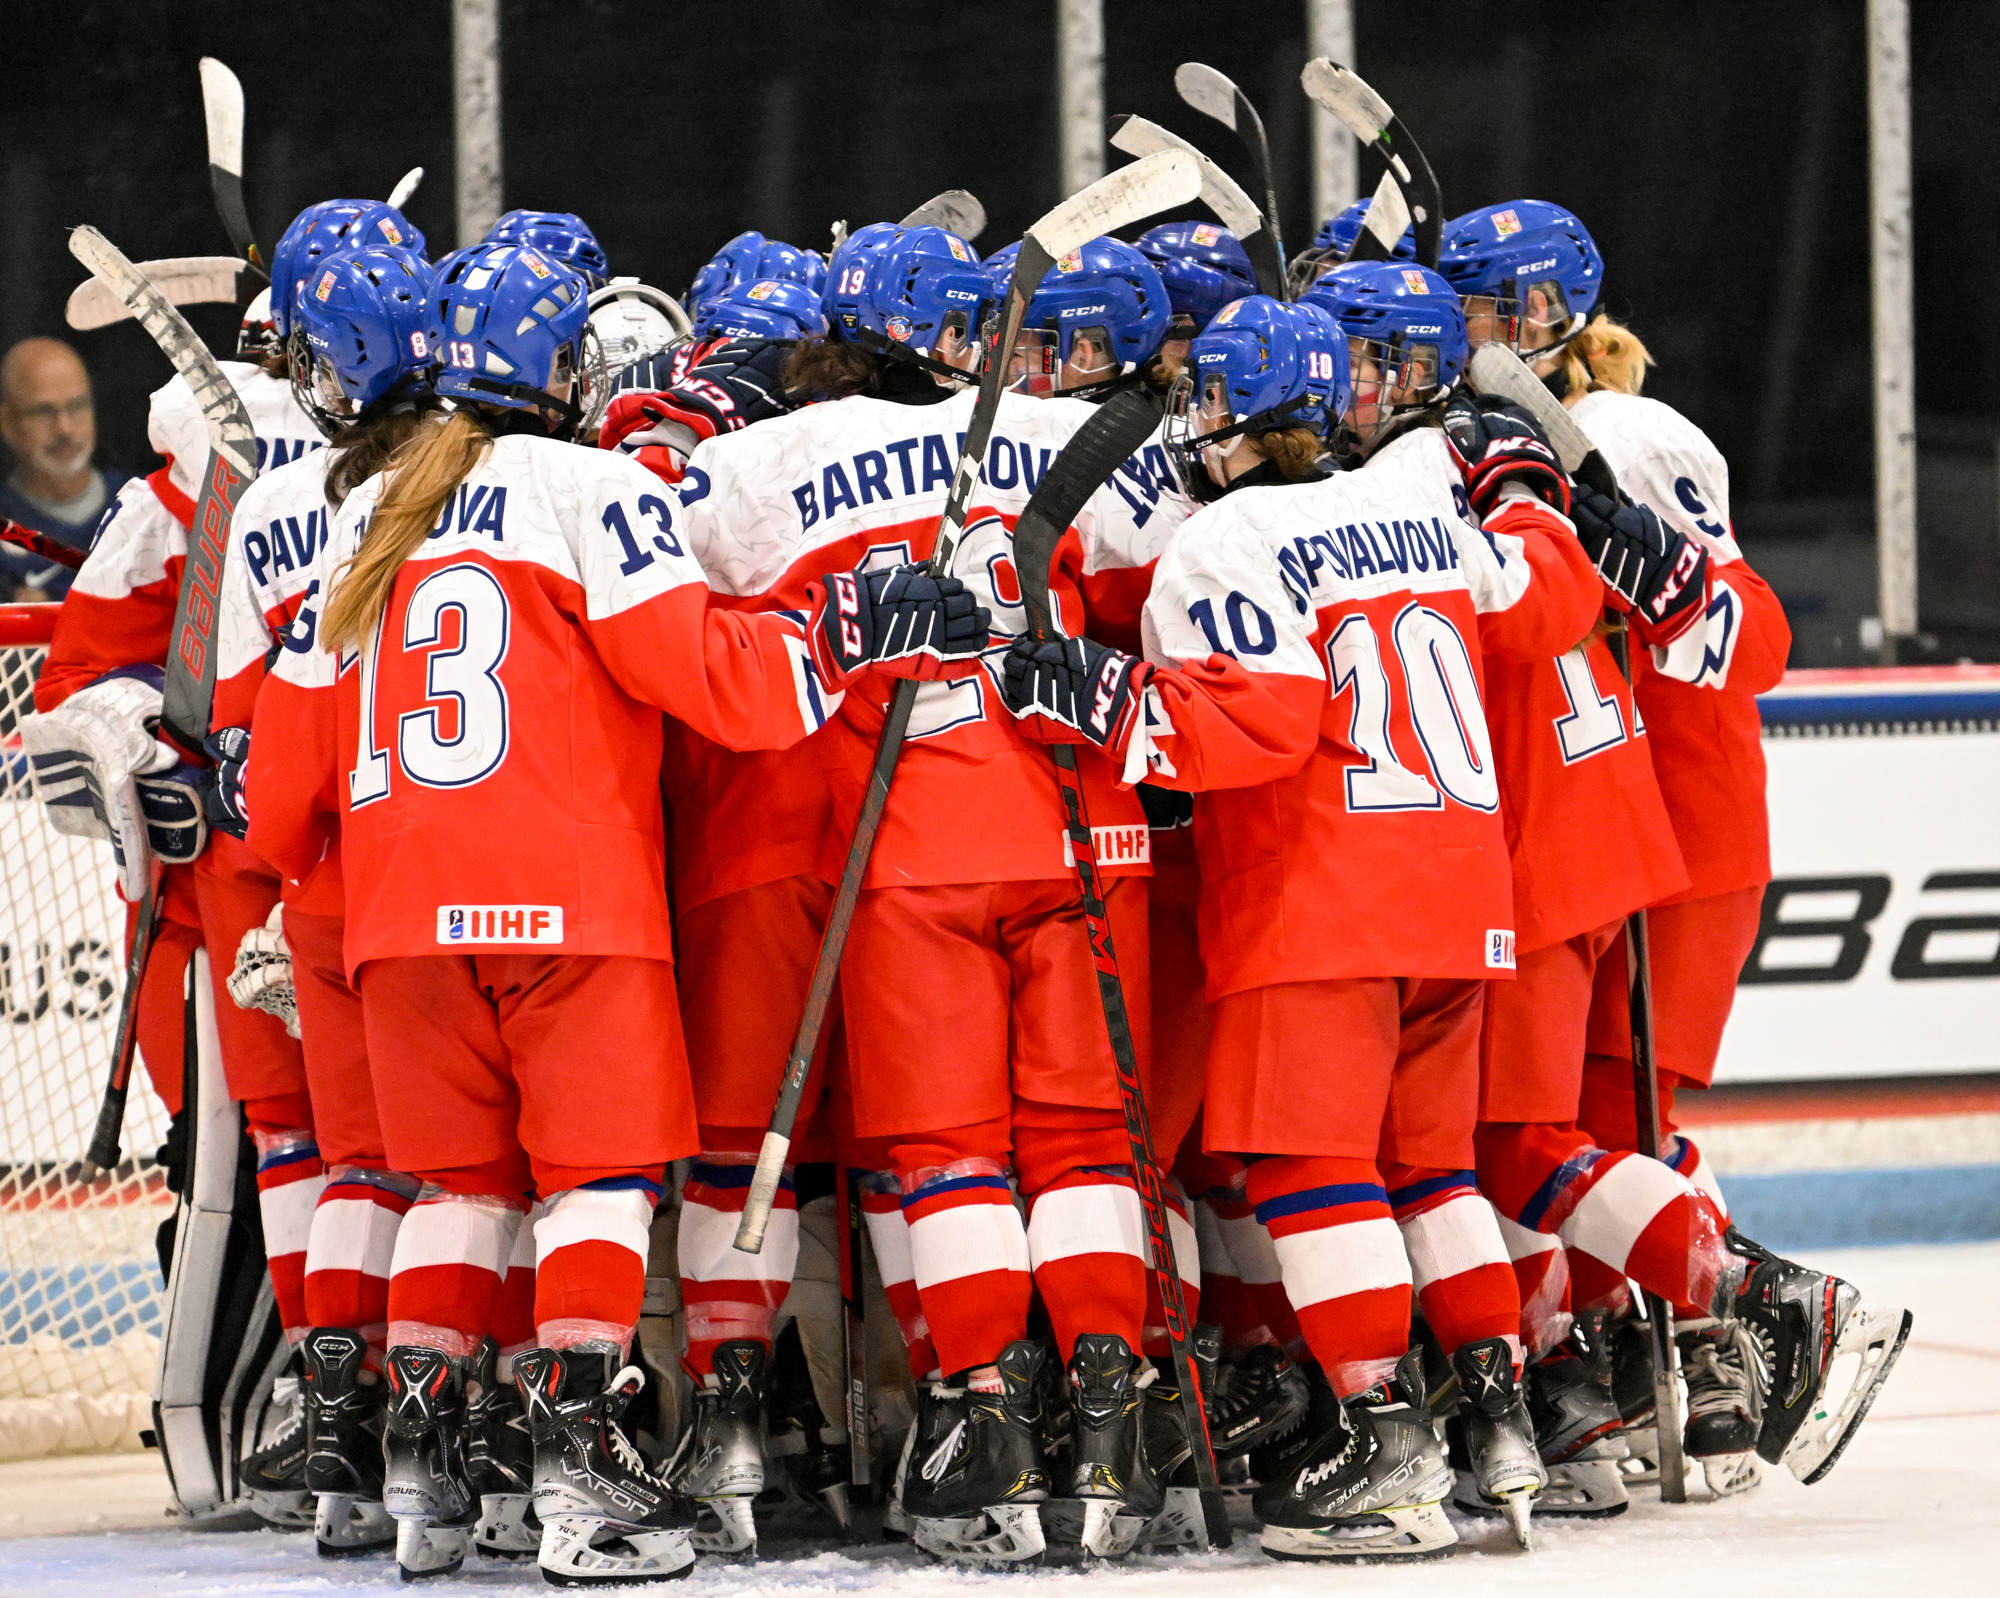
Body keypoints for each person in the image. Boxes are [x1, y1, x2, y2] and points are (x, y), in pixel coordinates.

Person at [243, 239, 981, 1586]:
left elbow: (278, 797)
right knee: (595, 1185)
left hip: (400, 925)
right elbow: (711, 673)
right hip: (573, 906)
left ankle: (427, 1489)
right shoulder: (587, 484)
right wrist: (846, 628)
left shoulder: (363, 511)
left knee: (458, 1188)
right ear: (562, 371)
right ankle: (586, 1477)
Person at [1002, 287, 1579, 1559]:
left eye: (1211, 397)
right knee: (1427, 1167)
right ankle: (1498, 1422)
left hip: (1320, 894)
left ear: (1247, 413)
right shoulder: (1416, 506)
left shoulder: (1231, 535)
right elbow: (1541, 602)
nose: (1195, 417)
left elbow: (1248, 728)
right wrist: (1533, 483)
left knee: (1311, 1170)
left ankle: (1382, 1439)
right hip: (1458, 891)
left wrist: (1098, 694)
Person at [672, 221, 1196, 1565]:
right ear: (965, 335)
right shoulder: (1051, 431)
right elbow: (1163, 590)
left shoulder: (765, 458)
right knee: (1084, 1145)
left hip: (905, 847)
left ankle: (987, 1421)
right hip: (1077, 828)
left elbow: (669, 610)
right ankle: (1106, 1414)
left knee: (946, 1155)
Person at [1438, 198, 1913, 1495]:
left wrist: (1658, 568)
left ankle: (1712, 1331)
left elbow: (1748, 640)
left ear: (1537, 314)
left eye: (1479, 309)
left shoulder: (1629, 434)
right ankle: (1641, 1359)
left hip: (1671, 825)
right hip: (1610, 821)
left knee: (1599, 1123)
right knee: (1593, 1128)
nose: (1460, 334)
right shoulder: (1496, 437)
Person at [204, 243, 454, 1557]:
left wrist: (276, 882)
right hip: (474, 864)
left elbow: (250, 730)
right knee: (497, 1171)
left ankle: (348, 1423)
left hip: (331, 878)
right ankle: (507, 1438)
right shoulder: (495, 467)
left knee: (354, 1162)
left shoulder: (267, 505)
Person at [0, 337, 129, 597]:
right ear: (8, 422)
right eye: (44, 411)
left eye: (77, 406)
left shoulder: (140, 504)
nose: (65, 428)